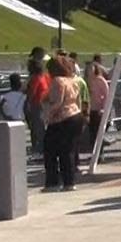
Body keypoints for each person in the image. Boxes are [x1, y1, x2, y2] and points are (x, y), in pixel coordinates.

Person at [41, 57, 84, 192]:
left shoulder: (57, 81)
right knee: (68, 151)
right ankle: (69, 181)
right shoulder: (72, 80)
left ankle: (52, 182)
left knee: (50, 150)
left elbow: (57, 102)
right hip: (75, 114)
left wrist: (47, 115)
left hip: (62, 118)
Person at [87, 64, 110, 150]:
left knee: (98, 132)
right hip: (91, 109)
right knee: (92, 133)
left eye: (91, 69)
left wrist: (103, 108)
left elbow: (106, 95)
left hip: (99, 109)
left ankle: (100, 153)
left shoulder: (101, 80)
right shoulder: (88, 81)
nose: (89, 71)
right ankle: (94, 151)